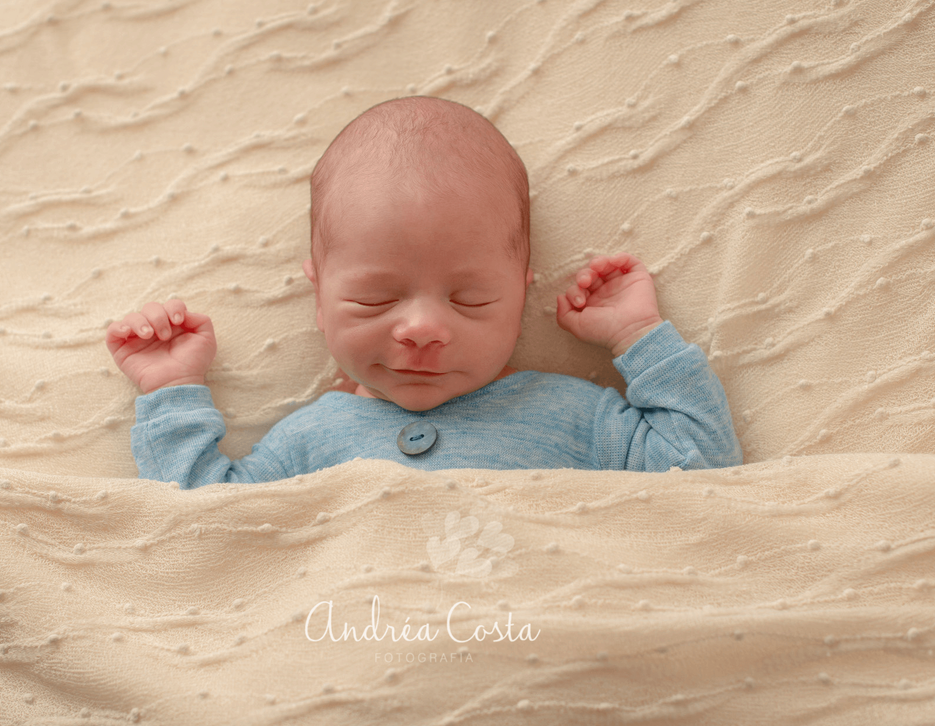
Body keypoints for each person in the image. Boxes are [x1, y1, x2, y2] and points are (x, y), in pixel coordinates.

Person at [106, 96, 741, 489]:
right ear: (319, 298)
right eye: (375, 300)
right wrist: (172, 393)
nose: (421, 328)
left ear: (522, 297)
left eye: (469, 300)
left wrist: (639, 339)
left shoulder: (573, 416)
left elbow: (703, 473)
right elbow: (207, 530)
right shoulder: (312, 439)